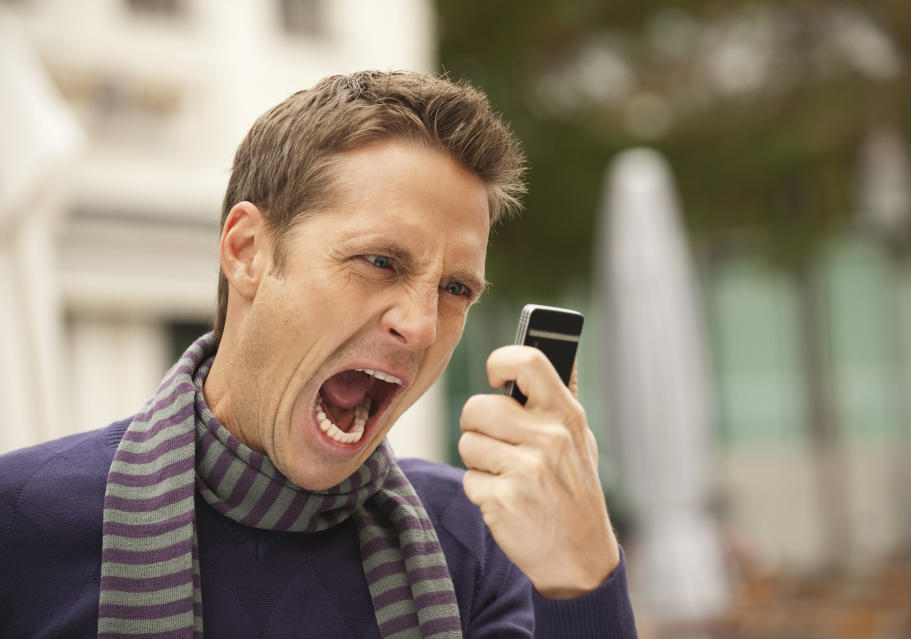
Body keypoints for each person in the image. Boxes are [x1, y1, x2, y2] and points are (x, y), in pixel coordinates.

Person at [0, 70, 637, 638]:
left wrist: (580, 577)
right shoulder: (20, 521)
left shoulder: (479, 543)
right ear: (247, 251)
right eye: (380, 261)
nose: (418, 326)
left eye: (454, 289)